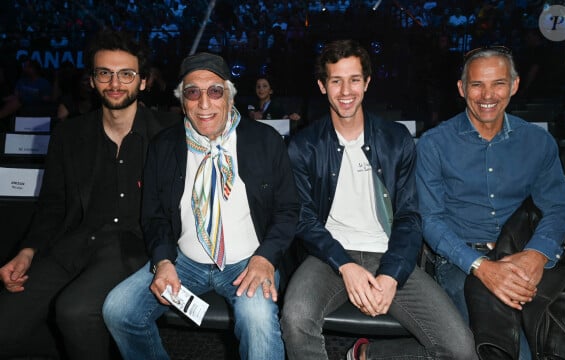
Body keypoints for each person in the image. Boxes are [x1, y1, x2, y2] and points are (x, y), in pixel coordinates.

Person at [280, 39, 476, 360]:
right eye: (336, 80)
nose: (346, 90)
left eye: (354, 79)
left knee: (460, 349)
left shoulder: (395, 139)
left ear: (367, 83)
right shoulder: (303, 146)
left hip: (389, 253)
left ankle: (369, 355)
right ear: (321, 85)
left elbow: (410, 217)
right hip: (329, 257)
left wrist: (391, 274)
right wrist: (344, 264)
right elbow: (303, 218)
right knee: (296, 319)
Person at [102, 52, 299, 360]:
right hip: (184, 261)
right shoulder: (165, 146)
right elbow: (153, 215)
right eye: (193, 93)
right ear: (183, 102)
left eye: (215, 91)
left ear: (230, 97)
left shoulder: (266, 141)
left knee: (258, 321)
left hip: (249, 261)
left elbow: (288, 210)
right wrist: (164, 261)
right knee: (119, 310)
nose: (204, 103)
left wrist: (266, 258)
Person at [0, 29, 179, 360]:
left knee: (74, 311)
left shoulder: (169, 134)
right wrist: (27, 251)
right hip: (73, 242)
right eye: (104, 73)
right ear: (93, 81)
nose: (115, 83)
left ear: (143, 82)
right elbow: (53, 205)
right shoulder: (69, 135)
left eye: (126, 74)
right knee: (5, 328)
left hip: (133, 246)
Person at [415, 46, 565, 359]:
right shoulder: (434, 144)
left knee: (555, 339)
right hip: (461, 260)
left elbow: (558, 209)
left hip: (524, 253)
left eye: (498, 83)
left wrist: (536, 255)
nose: (487, 95)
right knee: (503, 348)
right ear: (462, 89)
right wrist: (482, 268)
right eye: (477, 85)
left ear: (514, 86)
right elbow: (430, 220)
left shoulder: (538, 142)